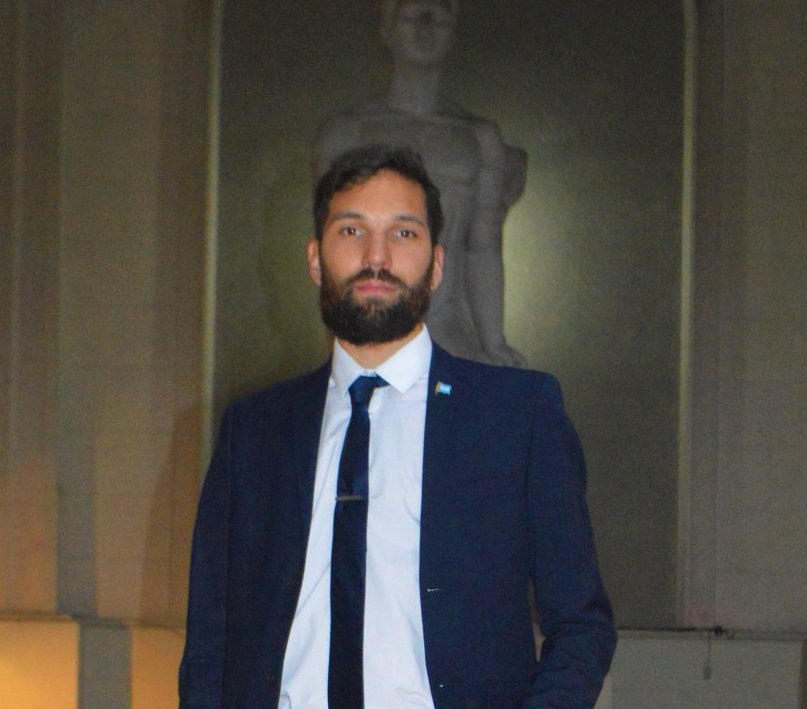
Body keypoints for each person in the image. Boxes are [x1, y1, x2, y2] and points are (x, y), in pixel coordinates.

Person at [179, 146, 616, 709]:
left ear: (437, 263)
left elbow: (581, 625)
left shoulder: (518, 416)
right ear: (315, 259)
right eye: (352, 230)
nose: (376, 256)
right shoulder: (253, 431)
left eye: (404, 233)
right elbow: (210, 640)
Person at [314, 0, 527, 367]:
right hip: (370, 325)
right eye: (413, 17)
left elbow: (482, 247)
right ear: (389, 30)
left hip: (449, 327)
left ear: (452, 34)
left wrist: (493, 341)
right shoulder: (347, 131)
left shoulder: (479, 137)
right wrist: (338, 346)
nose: (426, 29)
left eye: (438, 20)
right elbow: (333, 250)